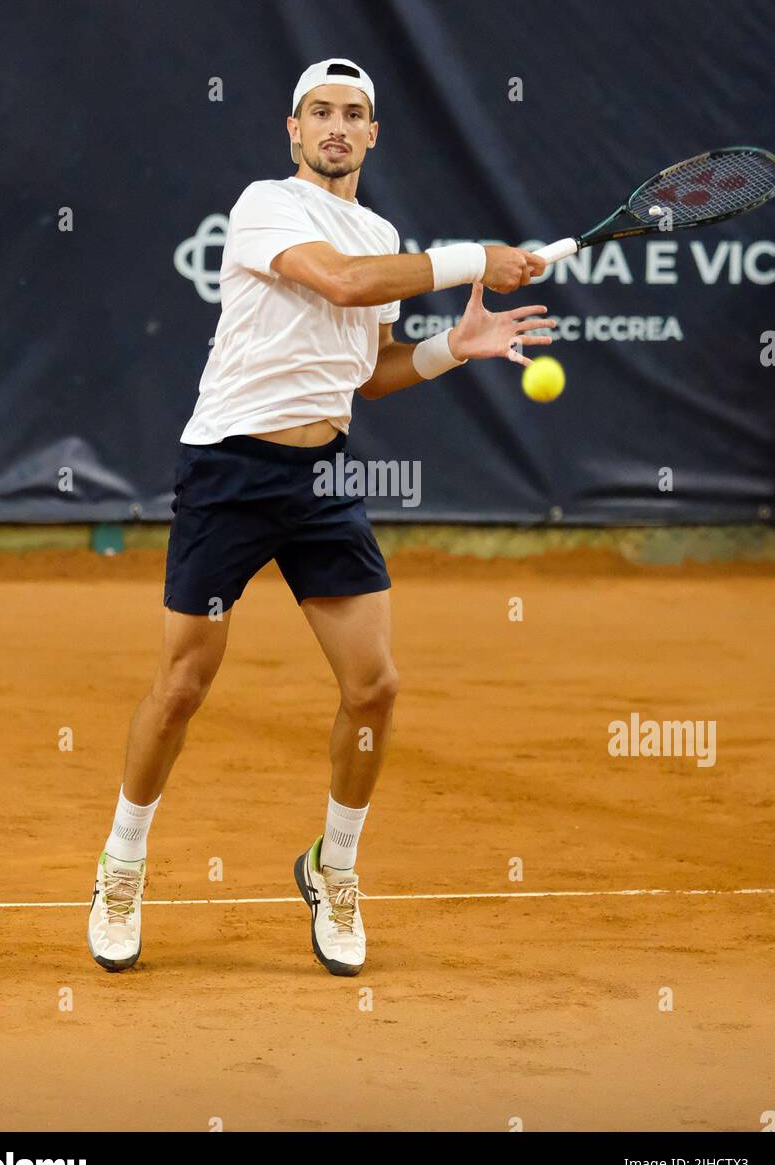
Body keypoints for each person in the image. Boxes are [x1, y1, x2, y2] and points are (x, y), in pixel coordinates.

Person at [87, 57, 552, 976]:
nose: (337, 127)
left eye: (354, 114)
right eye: (320, 113)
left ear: (374, 134)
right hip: (230, 469)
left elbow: (366, 371)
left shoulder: (378, 228)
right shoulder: (268, 204)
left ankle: (332, 867)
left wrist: (452, 349)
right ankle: (121, 864)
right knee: (184, 683)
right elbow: (339, 285)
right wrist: (472, 260)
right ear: (293, 131)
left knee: (374, 686)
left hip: (323, 480)